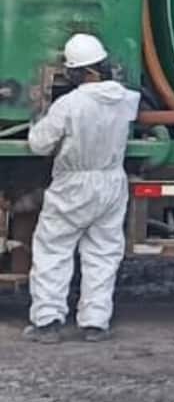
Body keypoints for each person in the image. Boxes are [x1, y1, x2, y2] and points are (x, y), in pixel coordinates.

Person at [24, 33, 140, 343]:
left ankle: (47, 321)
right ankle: (95, 322)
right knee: (103, 252)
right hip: (112, 181)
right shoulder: (126, 100)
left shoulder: (70, 104)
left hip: (74, 185)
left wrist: (37, 121)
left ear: (83, 72)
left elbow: (39, 144)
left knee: (54, 249)